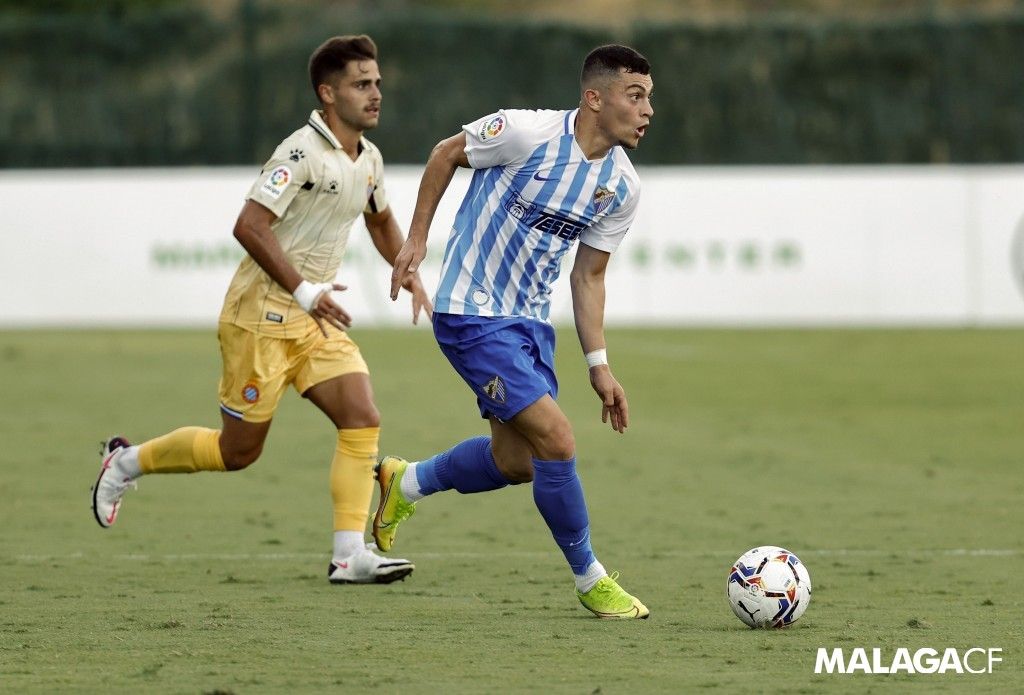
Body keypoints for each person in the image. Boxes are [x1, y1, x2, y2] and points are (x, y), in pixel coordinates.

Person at [91, 35, 432, 585]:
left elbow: (378, 217)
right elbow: (248, 226)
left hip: (315, 317)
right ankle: (125, 463)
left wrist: (406, 266)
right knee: (238, 452)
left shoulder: (367, 158)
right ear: (328, 93)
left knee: (361, 416)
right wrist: (304, 291)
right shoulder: (299, 153)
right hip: (260, 318)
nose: (375, 94)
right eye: (361, 84)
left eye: (377, 84)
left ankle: (348, 556)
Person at [377, 44, 653, 618]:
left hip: (529, 323)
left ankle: (405, 483)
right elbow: (444, 154)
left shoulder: (621, 188)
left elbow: (589, 277)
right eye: (636, 95)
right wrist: (417, 240)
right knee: (557, 440)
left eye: (650, 97)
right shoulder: (526, 134)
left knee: (519, 462)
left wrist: (599, 366)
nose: (648, 109)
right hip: (471, 311)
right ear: (594, 98)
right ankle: (591, 579)